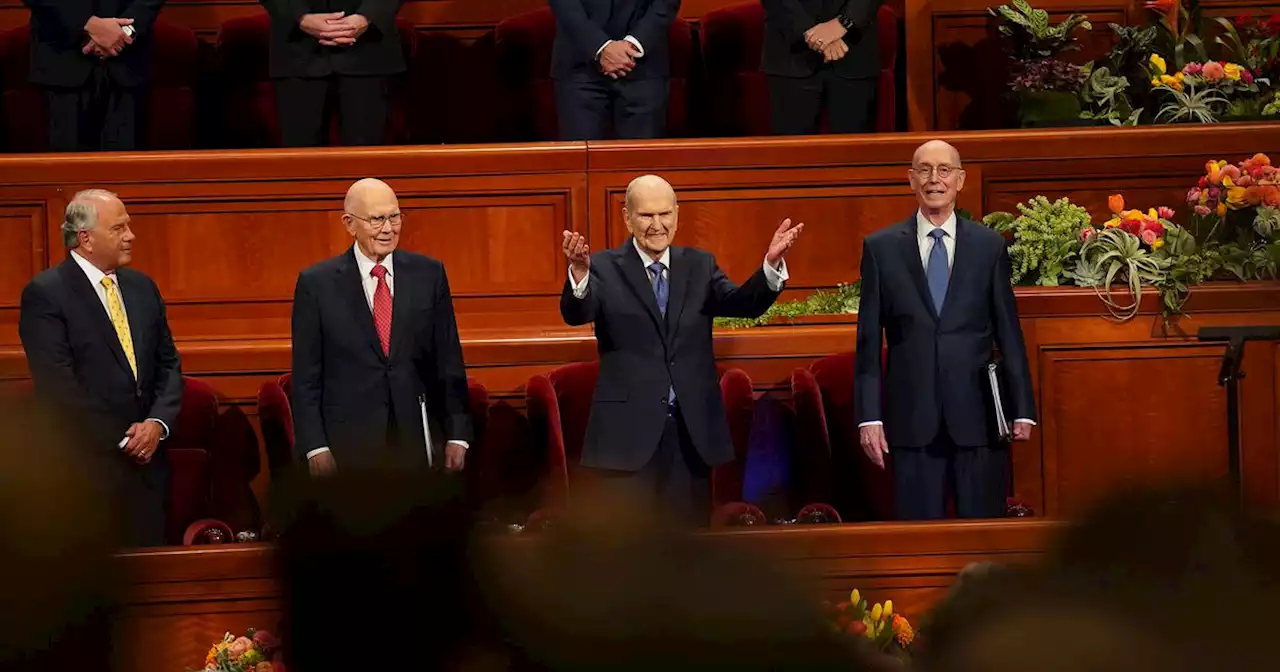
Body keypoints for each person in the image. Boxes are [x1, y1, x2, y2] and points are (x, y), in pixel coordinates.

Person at [560, 174, 802, 525]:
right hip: (626, 439)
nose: (657, 225)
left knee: (688, 556)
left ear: (677, 214)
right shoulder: (603, 267)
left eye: (664, 214)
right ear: (627, 218)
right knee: (628, 556)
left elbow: (743, 304)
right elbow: (576, 313)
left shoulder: (699, 265)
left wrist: (770, 265)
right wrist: (579, 274)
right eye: (645, 216)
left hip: (690, 436)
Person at [853, 140, 1035, 520]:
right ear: (911, 180)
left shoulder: (989, 246)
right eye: (924, 170)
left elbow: (1009, 333)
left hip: (979, 421)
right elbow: (868, 345)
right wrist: (869, 417)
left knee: (983, 540)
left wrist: (1023, 409)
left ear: (960, 180)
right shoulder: (881, 248)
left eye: (944, 170)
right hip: (912, 422)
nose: (934, 179)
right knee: (917, 543)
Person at [18, 189, 183, 547]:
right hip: (87, 469)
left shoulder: (142, 288)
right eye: (119, 228)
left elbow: (169, 364)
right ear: (85, 238)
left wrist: (156, 424)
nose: (131, 236)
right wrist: (123, 438)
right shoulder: (46, 293)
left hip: (149, 471)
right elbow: (58, 385)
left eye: (129, 226)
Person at [291, 178, 472, 477]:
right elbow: (306, 377)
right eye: (377, 219)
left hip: (417, 441)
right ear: (350, 224)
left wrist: (457, 434)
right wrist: (315, 446)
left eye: (395, 216)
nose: (388, 229)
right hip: (349, 446)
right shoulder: (316, 285)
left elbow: (449, 362)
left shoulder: (429, 274)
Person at [23, 0, 168, 151]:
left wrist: (125, 32)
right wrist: (85, 22)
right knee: (65, 168)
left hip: (128, 66)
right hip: (61, 62)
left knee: (126, 169)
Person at [259, 0, 405, 146]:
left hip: (371, 50)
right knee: (302, 158)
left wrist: (367, 15)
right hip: (295, 51)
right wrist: (300, 16)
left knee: (365, 159)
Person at [548, 0, 680, 141]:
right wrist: (598, 45)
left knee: (641, 160)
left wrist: (634, 43)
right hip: (579, 65)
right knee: (580, 159)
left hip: (644, 68)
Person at [761, 0, 881, 135]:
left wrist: (845, 22)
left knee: (853, 151)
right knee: (793, 151)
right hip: (791, 55)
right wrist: (808, 30)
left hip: (854, 49)